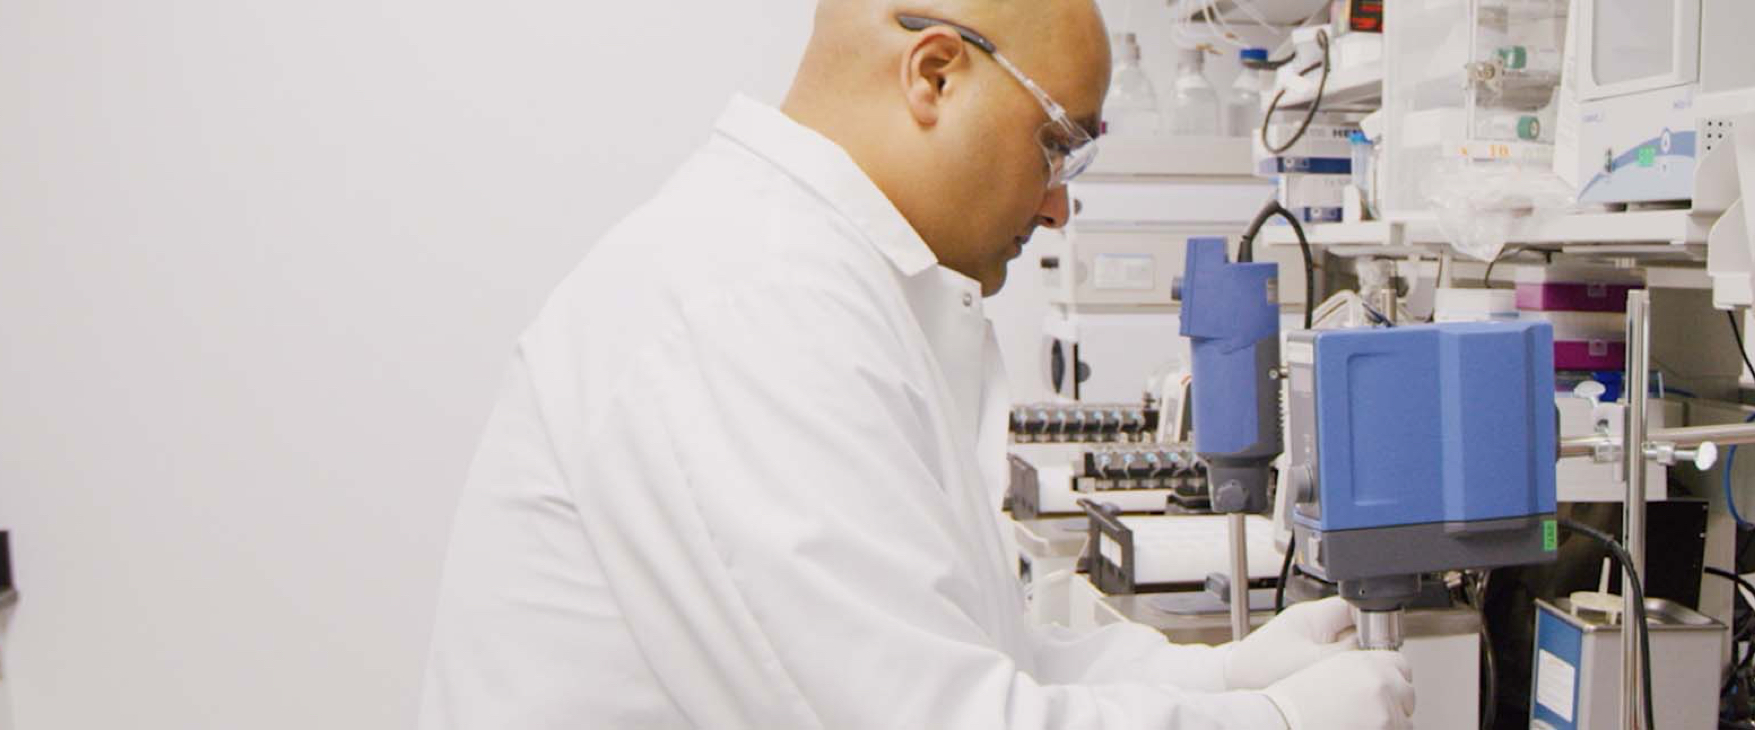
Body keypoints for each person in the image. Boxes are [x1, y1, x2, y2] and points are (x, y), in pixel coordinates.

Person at [414, 1, 1414, 727]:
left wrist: (1227, 680)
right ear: (934, 73)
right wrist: (1278, 725)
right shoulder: (749, 296)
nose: (1061, 202)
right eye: (1058, 143)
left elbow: (989, 656)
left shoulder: (825, 279)